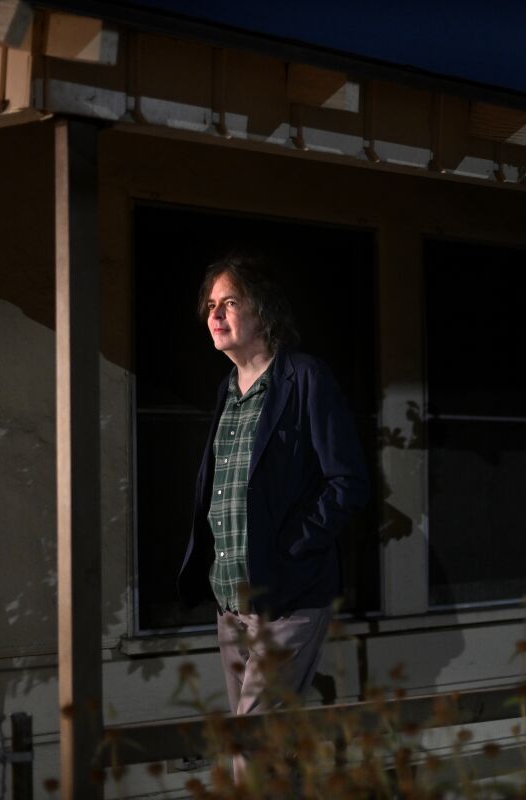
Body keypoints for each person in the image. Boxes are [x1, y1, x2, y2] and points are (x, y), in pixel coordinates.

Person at [178, 253, 369, 723]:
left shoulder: (304, 378)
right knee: (269, 752)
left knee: (253, 751)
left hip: (288, 597)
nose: (214, 314)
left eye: (229, 302)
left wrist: (292, 546)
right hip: (231, 605)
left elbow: (348, 482)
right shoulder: (227, 393)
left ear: (261, 310)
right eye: (209, 305)